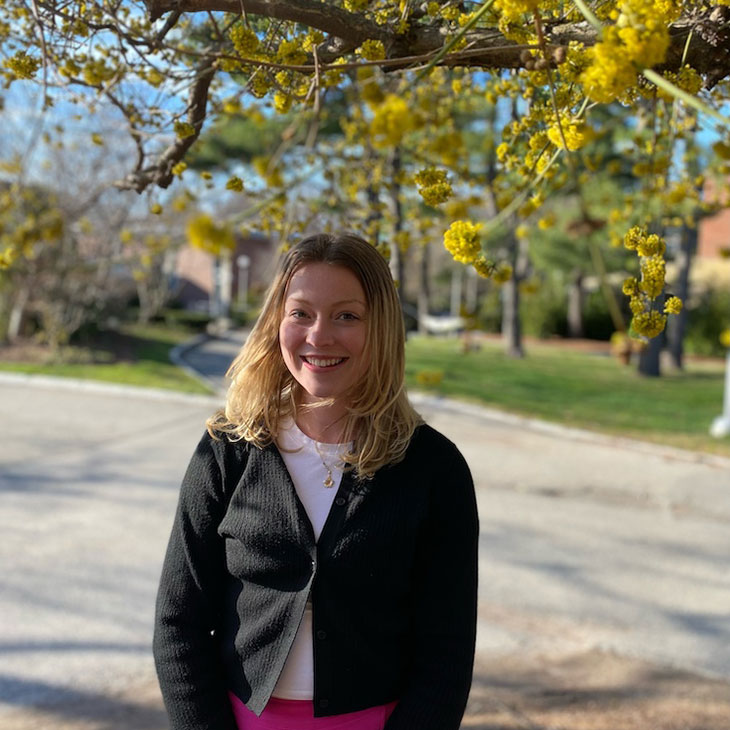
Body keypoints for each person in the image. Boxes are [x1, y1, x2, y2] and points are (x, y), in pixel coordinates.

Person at [153, 232, 479, 730]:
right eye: (300, 313)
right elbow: (179, 624)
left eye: (346, 315)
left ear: (382, 328)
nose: (318, 336)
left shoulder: (435, 468)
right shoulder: (226, 451)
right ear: (276, 323)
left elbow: (448, 652)